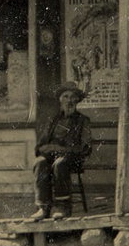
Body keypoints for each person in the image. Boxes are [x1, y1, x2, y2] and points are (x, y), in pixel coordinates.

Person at [30, 82, 94, 221]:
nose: (69, 101)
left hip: (72, 158)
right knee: (40, 163)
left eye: (72, 97)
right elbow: (40, 144)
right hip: (51, 157)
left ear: (77, 100)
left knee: (60, 164)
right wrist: (43, 149)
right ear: (60, 100)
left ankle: (63, 207)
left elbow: (85, 148)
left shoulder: (83, 121)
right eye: (65, 97)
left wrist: (61, 149)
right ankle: (43, 207)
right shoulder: (53, 120)